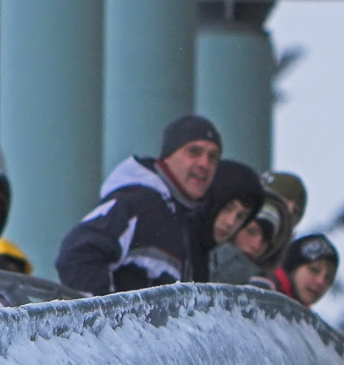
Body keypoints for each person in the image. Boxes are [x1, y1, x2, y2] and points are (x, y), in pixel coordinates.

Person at [55, 114, 222, 295]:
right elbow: (77, 253)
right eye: (194, 152)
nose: (204, 163)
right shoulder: (140, 204)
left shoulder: (182, 218)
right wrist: (107, 319)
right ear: (167, 156)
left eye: (213, 157)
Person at [189, 159, 265, 284]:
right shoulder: (178, 243)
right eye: (227, 207)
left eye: (240, 216)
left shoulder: (205, 257)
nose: (230, 222)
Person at [207, 189, 293, 286]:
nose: (256, 246)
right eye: (251, 232)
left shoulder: (261, 293)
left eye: (266, 240)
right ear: (234, 226)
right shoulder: (190, 257)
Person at [256, 233, 338, 308]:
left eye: (328, 278)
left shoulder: (302, 320)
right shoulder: (259, 294)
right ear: (293, 267)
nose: (321, 282)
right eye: (314, 270)